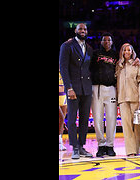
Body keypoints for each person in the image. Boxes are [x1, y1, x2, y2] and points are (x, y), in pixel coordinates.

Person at [59, 23, 93, 159]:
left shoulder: (89, 48)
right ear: (75, 30)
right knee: (72, 119)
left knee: (84, 119)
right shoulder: (67, 46)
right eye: (80, 29)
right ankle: (74, 148)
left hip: (86, 89)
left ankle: (82, 146)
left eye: (85, 29)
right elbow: (63, 68)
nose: (83, 31)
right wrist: (69, 88)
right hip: (73, 88)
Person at [90, 32, 119, 157]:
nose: (106, 42)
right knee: (97, 118)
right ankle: (101, 145)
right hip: (97, 88)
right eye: (104, 40)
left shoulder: (116, 55)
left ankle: (110, 145)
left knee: (112, 118)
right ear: (101, 42)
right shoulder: (95, 53)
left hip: (111, 89)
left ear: (112, 42)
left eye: (109, 40)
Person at [115, 43, 140, 156]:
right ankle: (130, 151)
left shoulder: (137, 65)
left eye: (129, 50)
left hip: (135, 98)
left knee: (137, 125)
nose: (127, 52)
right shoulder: (118, 65)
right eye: (124, 50)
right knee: (126, 126)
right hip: (122, 99)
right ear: (121, 52)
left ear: (132, 52)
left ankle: (136, 149)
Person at [59, 70, 67, 151]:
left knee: (61, 121)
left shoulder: (64, 70)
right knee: (61, 117)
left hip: (63, 96)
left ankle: (60, 143)